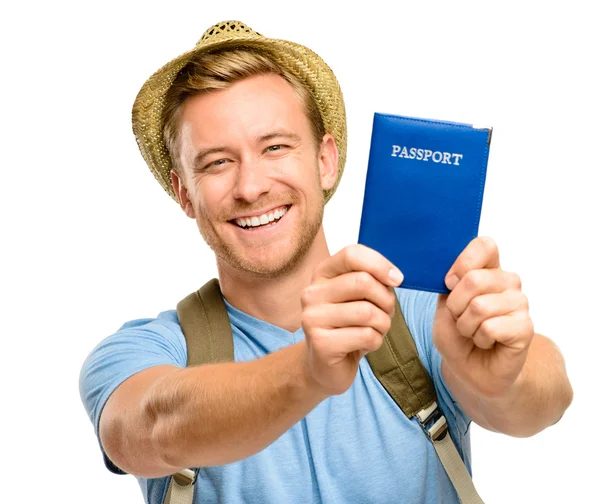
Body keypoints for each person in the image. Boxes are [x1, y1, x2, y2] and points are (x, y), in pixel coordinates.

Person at [79, 20, 573, 504]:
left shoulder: (423, 315)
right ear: (184, 193)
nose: (251, 187)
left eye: (275, 147)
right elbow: (148, 428)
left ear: (326, 160)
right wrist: (308, 372)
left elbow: (547, 396)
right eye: (217, 162)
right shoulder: (143, 351)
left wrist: (505, 377)